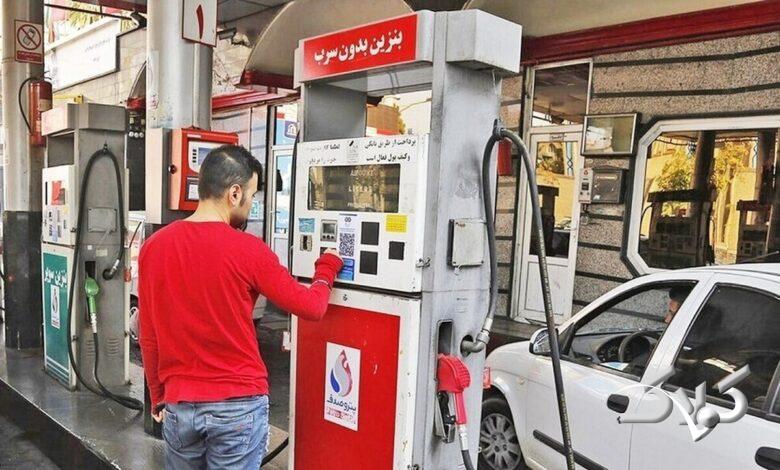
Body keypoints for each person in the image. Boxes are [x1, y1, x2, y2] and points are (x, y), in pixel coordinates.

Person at [139, 145, 343, 469]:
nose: (251, 203)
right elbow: (311, 307)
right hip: (238, 406)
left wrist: (158, 393)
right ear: (234, 193)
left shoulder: (154, 247)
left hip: (180, 405)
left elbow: (148, 332)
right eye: (252, 194)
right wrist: (327, 267)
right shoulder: (249, 249)